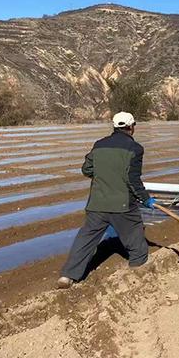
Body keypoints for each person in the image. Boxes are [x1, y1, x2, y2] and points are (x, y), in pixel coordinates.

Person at [57, 111, 156, 289]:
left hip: (97, 204)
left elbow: (86, 170)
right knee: (136, 240)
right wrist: (146, 199)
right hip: (122, 205)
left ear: (114, 126)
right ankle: (138, 270)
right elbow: (133, 180)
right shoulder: (135, 149)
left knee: (86, 239)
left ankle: (67, 276)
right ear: (131, 127)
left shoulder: (99, 144)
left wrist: (104, 173)